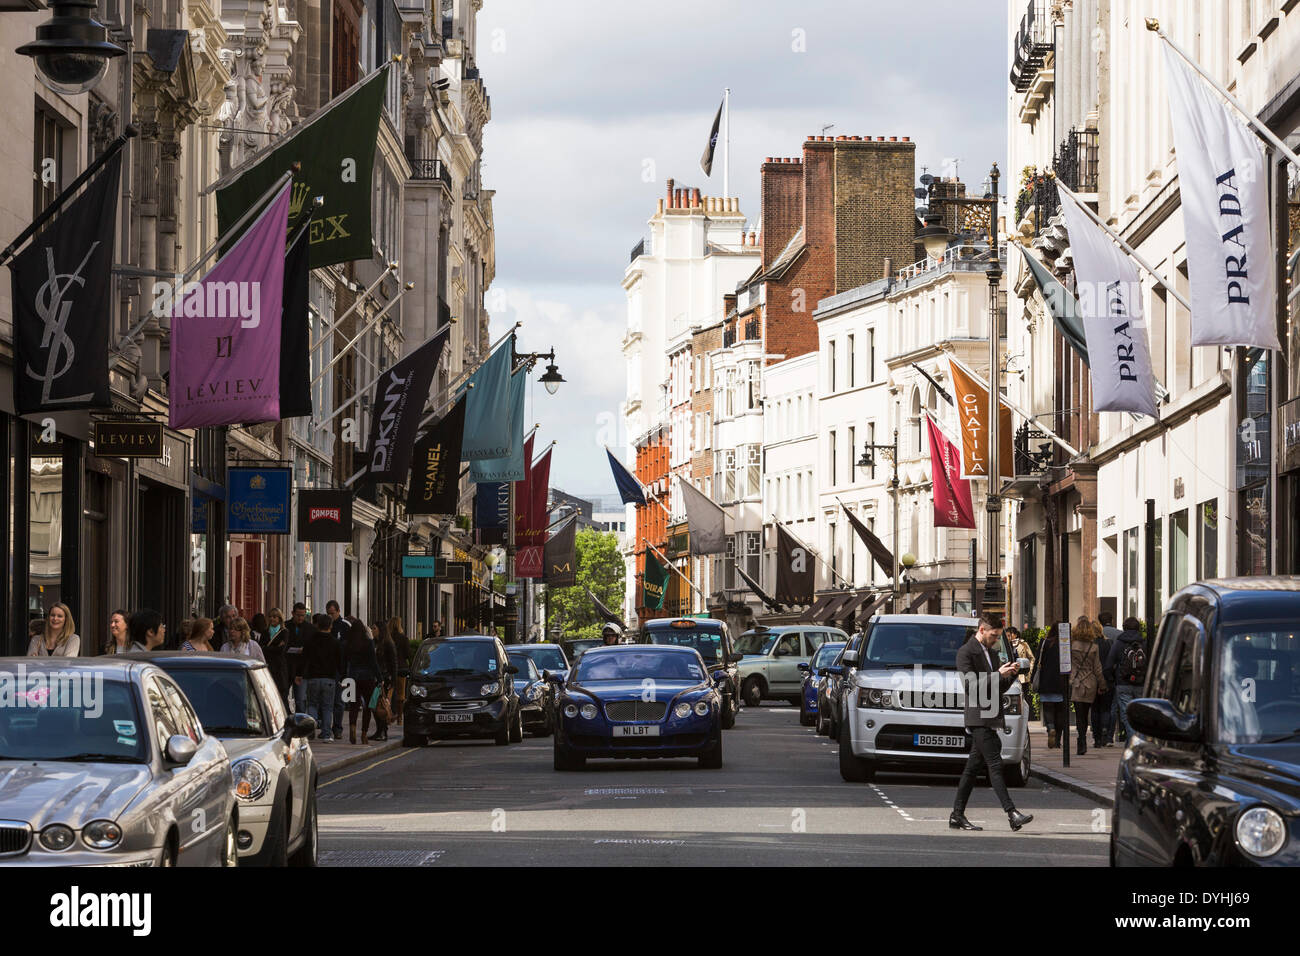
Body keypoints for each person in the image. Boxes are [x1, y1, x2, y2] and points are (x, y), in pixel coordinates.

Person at [950, 611, 1033, 832]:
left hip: (991, 715)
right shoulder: (965, 652)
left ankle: (957, 815)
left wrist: (1012, 674)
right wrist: (997, 673)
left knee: (971, 769)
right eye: (994, 635)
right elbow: (971, 686)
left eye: (998, 636)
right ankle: (1012, 813)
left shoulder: (992, 653)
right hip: (978, 716)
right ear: (982, 630)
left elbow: (998, 688)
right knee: (995, 765)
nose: (996, 640)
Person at [1069, 617, 1107, 756]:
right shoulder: (1094, 647)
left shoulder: (1072, 646)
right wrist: (1102, 684)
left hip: (1076, 682)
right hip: (1090, 682)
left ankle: (1081, 740)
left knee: (1079, 715)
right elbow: (1097, 668)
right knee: (1086, 714)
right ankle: (1085, 738)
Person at [1106, 617, 1149, 742]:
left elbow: (1108, 664)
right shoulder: (1144, 643)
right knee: (1139, 715)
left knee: (1126, 715)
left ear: (1124, 628)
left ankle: (1134, 742)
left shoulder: (1118, 643)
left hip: (1123, 683)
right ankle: (1135, 741)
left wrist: (1111, 680)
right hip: (1141, 683)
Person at [302, 614, 342, 741]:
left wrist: (300, 674)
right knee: (327, 707)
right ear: (330, 625)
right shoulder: (335, 642)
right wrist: (341, 676)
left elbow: (304, 658)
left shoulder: (310, 640)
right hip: (329, 678)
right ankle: (326, 734)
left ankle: (310, 731)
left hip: (313, 677)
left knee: (312, 705)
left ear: (318, 625)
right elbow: (339, 661)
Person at [343, 617, 382, 744]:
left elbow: (345, 660)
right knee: (368, 707)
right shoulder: (368, 642)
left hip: (352, 677)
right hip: (368, 677)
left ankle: (352, 727)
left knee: (353, 705)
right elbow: (374, 662)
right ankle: (364, 734)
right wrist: (380, 678)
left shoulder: (348, 643)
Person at [1032, 624, 1067, 748]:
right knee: (1060, 711)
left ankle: (1050, 728)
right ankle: (1057, 740)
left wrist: (1032, 679)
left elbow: (1037, 662)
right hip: (1061, 681)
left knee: (1048, 708)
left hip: (1046, 680)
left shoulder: (1044, 643)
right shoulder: (1065, 645)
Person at [326, 600, 349, 740]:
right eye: (328, 614)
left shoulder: (345, 626)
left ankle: (338, 728)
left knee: (339, 701)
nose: (330, 616)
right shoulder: (325, 625)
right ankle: (326, 728)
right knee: (327, 702)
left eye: (332, 614)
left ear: (338, 612)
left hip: (340, 669)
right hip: (327, 668)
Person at [260, 607, 292, 709]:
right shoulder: (265, 632)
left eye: (274, 617)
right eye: (270, 617)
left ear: (280, 618)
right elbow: (261, 648)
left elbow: (281, 650)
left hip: (279, 667)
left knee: (282, 694)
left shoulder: (284, 632)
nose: (272, 619)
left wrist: (267, 648)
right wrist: (274, 647)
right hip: (268, 665)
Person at [371, 621, 398, 741]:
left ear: (381, 630)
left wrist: (393, 681)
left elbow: (393, 663)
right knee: (374, 705)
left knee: (381, 705)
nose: (372, 630)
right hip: (375, 678)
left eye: (374, 628)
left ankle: (383, 731)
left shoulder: (388, 643)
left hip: (384, 679)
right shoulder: (374, 643)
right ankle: (379, 730)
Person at [1092, 619, 1116, 747]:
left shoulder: (1091, 645)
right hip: (1108, 679)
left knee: (1095, 709)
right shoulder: (1109, 643)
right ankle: (1105, 732)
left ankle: (1096, 737)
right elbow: (1112, 662)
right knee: (1106, 708)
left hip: (1093, 680)